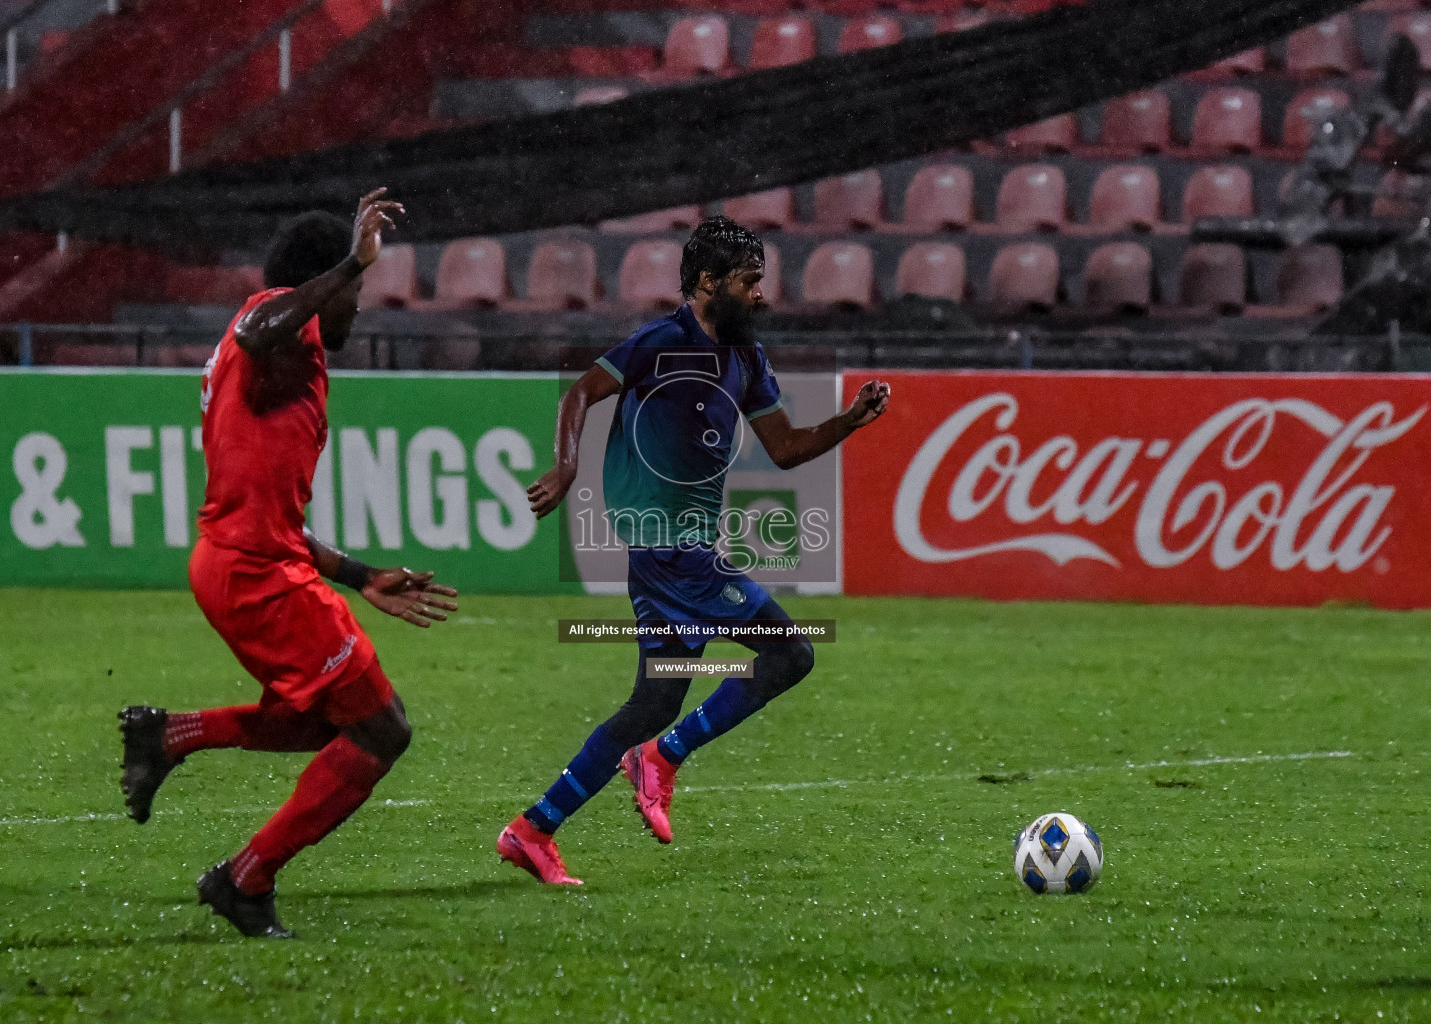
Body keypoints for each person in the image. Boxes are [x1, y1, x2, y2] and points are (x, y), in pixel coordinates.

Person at [496, 215, 891, 885]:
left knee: (652, 703)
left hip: (675, 556)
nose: (762, 295)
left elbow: (787, 449)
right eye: (749, 282)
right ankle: (664, 757)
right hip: (670, 553)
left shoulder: (746, 360)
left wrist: (849, 422)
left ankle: (533, 829)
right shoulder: (659, 342)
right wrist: (564, 467)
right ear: (707, 283)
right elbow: (582, 393)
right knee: (790, 653)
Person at [118, 189, 457, 938]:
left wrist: (361, 573)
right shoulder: (273, 320)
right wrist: (349, 263)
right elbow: (257, 328)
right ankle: (244, 879)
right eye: (354, 294)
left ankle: (171, 735)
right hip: (254, 574)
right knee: (383, 731)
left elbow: (273, 515)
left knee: (326, 724)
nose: (356, 310)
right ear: (322, 283)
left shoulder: (285, 354)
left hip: (241, 559)